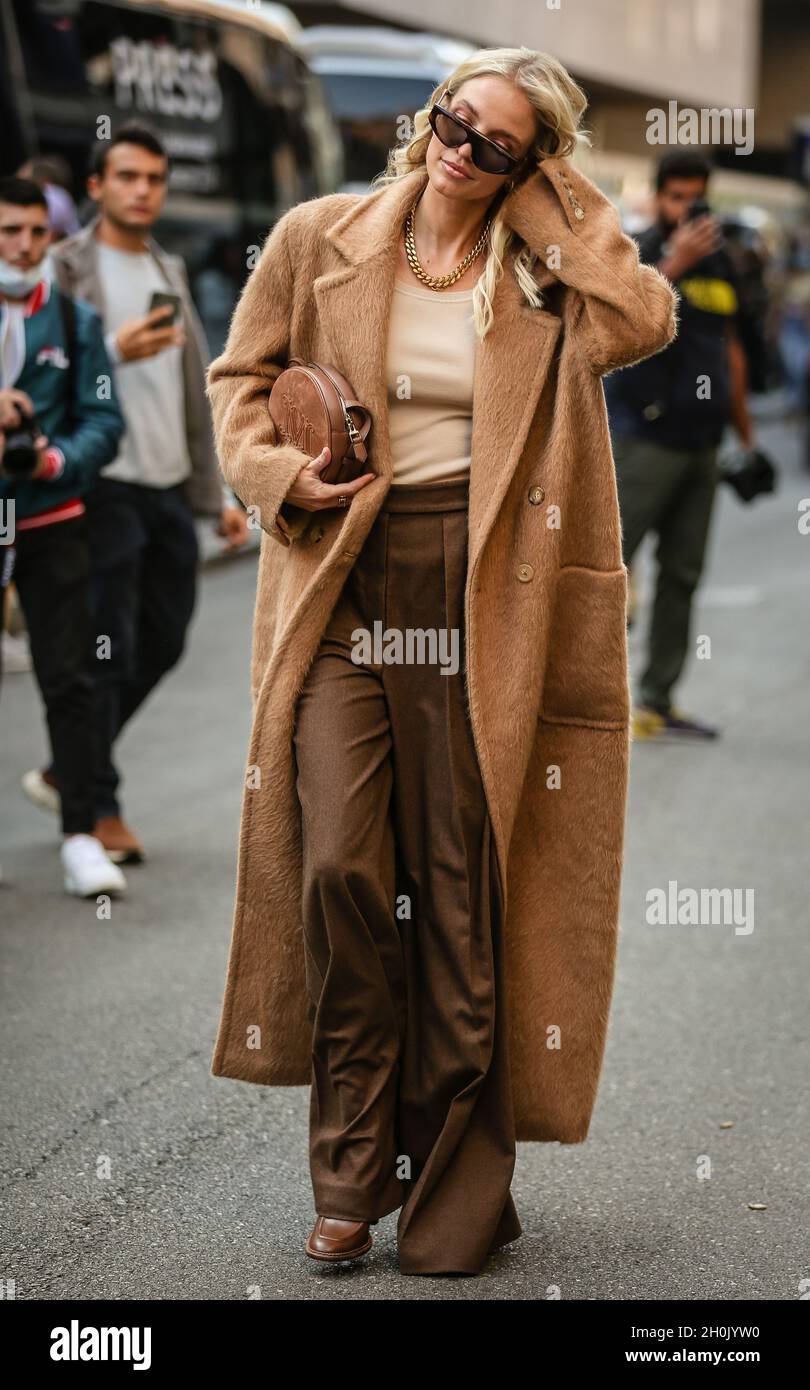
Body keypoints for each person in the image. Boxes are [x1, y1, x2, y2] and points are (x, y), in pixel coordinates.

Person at [206, 47, 676, 1276]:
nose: (455, 149)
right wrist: (276, 473)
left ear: (532, 164)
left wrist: (560, 203)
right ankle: (352, 1175)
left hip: (490, 599)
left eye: (493, 144)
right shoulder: (319, 234)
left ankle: (460, 1184)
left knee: (463, 906)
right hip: (343, 581)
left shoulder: (543, 275)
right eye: (449, 122)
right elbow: (238, 382)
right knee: (344, 872)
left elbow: (647, 318)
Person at [27, 123, 249, 864]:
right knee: (108, 649)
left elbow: (193, 388)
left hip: (164, 482)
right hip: (101, 484)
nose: (143, 189)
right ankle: (100, 806)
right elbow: (33, 378)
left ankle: (70, 767)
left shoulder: (167, 266)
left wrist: (214, 489)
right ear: (95, 187)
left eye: (154, 178)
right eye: (127, 176)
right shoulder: (60, 269)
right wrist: (111, 351)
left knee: (165, 634)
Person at [0, 176, 126, 897]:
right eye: (9, 231)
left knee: (69, 678)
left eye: (35, 232)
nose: (22, 245)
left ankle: (81, 833)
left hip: (52, 519)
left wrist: (53, 458)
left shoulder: (76, 324)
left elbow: (105, 425)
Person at [604, 151, 754, 741]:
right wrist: (676, 262)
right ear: (658, 196)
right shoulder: (636, 251)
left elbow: (731, 346)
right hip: (643, 437)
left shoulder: (724, 264)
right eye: (675, 197)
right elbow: (619, 321)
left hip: (702, 441)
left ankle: (658, 700)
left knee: (682, 575)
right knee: (606, 570)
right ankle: (581, 699)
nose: (686, 209)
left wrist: (744, 428)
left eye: (696, 199)